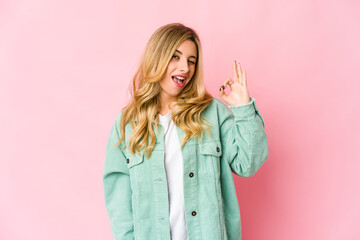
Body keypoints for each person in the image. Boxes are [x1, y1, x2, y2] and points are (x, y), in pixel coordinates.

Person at [103, 23, 269, 240]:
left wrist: (243, 109)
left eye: (192, 61)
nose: (185, 68)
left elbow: (247, 164)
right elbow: (119, 205)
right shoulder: (127, 124)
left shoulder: (212, 113)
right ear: (157, 58)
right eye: (175, 57)